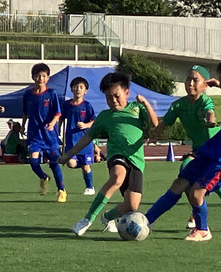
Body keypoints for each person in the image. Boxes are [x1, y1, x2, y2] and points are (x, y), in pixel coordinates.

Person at [143, 57, 221, 242]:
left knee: (197, 192)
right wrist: (218, 83)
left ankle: (203, 230)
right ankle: (146, 220)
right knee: (179, 183)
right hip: (210, 151)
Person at [64, 71, 158, 236]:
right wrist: (69, 154)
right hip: (117, 155)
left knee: (131, 207)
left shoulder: (137, 109)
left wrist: (146, 103)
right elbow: (88, 137)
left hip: (137, 160)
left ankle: (107, 217)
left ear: (126, 93)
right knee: (117, 177)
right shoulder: (105, 116)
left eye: (116, 96)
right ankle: (87, 219)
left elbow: (155, 124)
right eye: (108, 97)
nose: (113, 100)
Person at [22, 62, 67, 202]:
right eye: (37, 76)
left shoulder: (51, 93)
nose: (40, 78)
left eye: (43, 76)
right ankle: (43, 177)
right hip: (34, 134)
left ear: (48, 78)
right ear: (33, 77)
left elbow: (58, 113)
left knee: (54, 164)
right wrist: (22, 126)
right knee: (33, 161)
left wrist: (53, 123)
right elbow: (25, 112)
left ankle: (61, 191)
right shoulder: (27, 95)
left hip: (49, 136)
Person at [60, 76, 97, 195]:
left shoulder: (87, 105)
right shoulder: (66, 105)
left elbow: (94, 121)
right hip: (71, 141)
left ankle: (90, 187)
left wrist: (86, 125)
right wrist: (57, 131)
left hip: (85, 141)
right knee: (71, 164)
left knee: (86, 166)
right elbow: (60, 118)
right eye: (76, 87)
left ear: (85, 91)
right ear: (71, 89)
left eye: (81, 87)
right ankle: (79, 163)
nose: (78, 89)